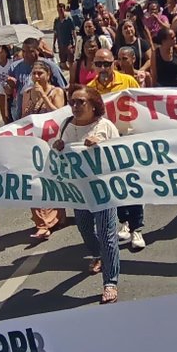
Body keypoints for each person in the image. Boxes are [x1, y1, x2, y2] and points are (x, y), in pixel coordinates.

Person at [53, 85, 122, 303]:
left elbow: (121, 154)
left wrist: (102, 145)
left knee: (107, 233)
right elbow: (58, 155)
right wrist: (57, 146)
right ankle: (98, 254)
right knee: (84, 227)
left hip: (103, 190)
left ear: (93, 105)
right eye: (72, 102)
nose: (75, 106)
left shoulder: (105, 126)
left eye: (80, 102)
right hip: (79, 190)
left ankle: (110, 282)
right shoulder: (65, 125)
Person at [90, 49, 146, 250]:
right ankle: (125, 222)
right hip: (106, 146)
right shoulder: (90, 90)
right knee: (116, 185)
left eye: (107, 63)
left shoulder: (128, 81)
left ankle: (137, 227)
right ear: (93, 65)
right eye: (99, 64)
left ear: (114, 63)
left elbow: (143, 109)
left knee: (132, 183)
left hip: (128, 140)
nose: (103, 68)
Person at [20, 60, 67, 241]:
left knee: (54, 180)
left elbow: (59, 114)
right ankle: (42, 222)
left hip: (52, 141)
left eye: (40, 73)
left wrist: (44, 97)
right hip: (34, 142)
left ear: (48, 75)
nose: (37, 77)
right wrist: (31, 102)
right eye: (34, 74)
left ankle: (57, 215)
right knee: (36, 181)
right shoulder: (27, 93)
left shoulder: (57, 91)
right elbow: (24, 118)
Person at [6, 36, 67, 120]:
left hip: (48, 116)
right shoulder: (14, 67)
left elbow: (62, 89)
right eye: (23, 51)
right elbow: (9, 93)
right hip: (23, 116)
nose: (26, 54)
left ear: (38, 51)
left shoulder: (50, 66)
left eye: (30, 51)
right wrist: (10, 87)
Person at [53, 2, 78, 72]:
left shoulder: (69, 20)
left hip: (69, 45)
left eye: (61, 9)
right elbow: (55, 33)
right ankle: (72, 72)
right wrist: (53, 45)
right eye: (58, 10)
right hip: (60, 45)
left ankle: (73, 74)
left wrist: (76, 43)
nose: (60, 11)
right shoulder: (56, 21)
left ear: (64, 9)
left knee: (71, 62)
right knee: (63, 64)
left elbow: (74, 32)